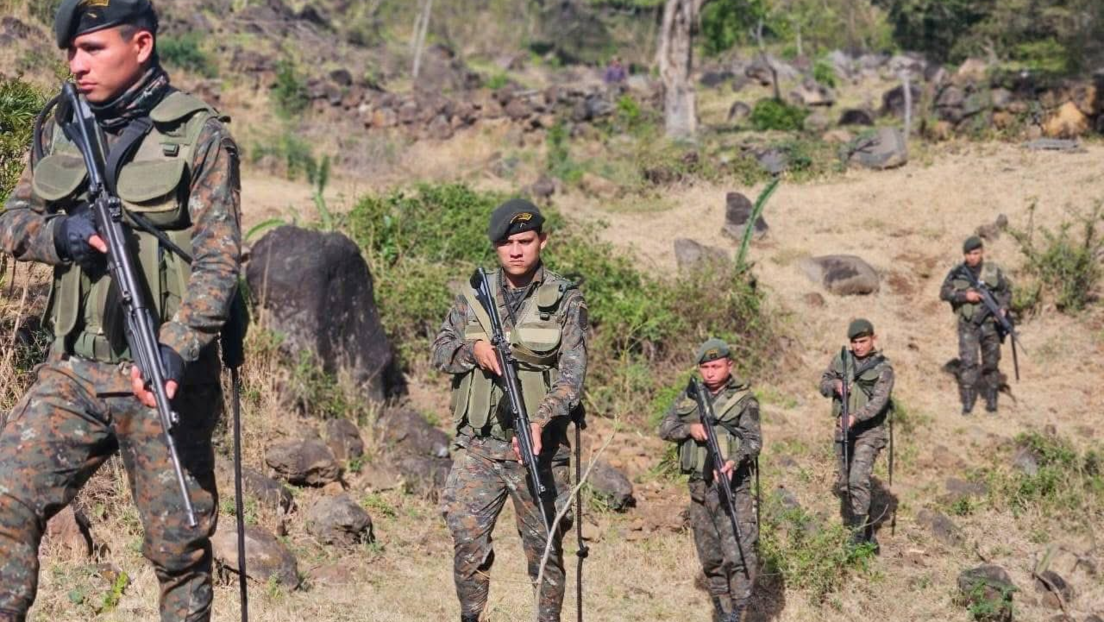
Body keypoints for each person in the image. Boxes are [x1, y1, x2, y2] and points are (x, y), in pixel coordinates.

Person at [0, 0, 241, 619]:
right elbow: (12, 221)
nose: (76, 64)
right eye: (72, 51)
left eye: (93, 49)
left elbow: (219, 264)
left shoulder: (198, 134)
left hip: (163, 375)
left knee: (180, 546)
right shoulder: (60, 126)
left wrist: (179, 343)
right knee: (5, 496)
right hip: (74, 369)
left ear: (140, 45)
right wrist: (61, 236)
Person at [432, 199, 588, 622]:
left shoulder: (566, 301)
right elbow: (440, 350)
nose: (516, 251)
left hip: (538, 448)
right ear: (496, 248)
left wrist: (539, 421)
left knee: (545, 549)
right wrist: (473, 349)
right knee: (466, 536)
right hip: (480, 446)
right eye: (507, 244)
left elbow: (572, 379)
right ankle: (471, 614)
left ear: (542, 241)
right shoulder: (473, 295)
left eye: (525, 241)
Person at [659, 339, 760, 622]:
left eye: (716, 366)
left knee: (738, 551)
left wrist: (733, 461)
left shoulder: (744, 399)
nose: (711, 372)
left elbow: (754, 441)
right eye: (705, 367)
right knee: (710, 554)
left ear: (730, 365)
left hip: (732, 489)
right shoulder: (688, 397)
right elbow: (665, 428)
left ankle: (741, 609)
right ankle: (722, 606)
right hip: (699, 489)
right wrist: (690, 429)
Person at [818, 319, 894, 551]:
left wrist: (855, 417)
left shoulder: (884, 368)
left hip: (869, 431)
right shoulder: (842, 360)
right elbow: (823, 385)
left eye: (863, 341)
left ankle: (858, 536)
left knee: (857, 478)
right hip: (843, 431)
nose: (859, 346)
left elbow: (879, 403)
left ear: (874, 339)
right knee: (845, 483)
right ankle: (867, 529)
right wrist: (836, 386)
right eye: (855, 342)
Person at [939, 236, 1013, 414]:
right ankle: (967, 404)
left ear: (982, 253)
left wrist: (1003, 308)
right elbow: (944, 292)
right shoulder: (958, 272)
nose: (972, 257)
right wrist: (965, 296)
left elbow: (1006, 291)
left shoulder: (992, 271)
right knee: (968, 363)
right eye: (968, 254)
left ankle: (992, 402)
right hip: (968, 325)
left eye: (975, 253)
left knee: (992, 363)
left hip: (990, 326)